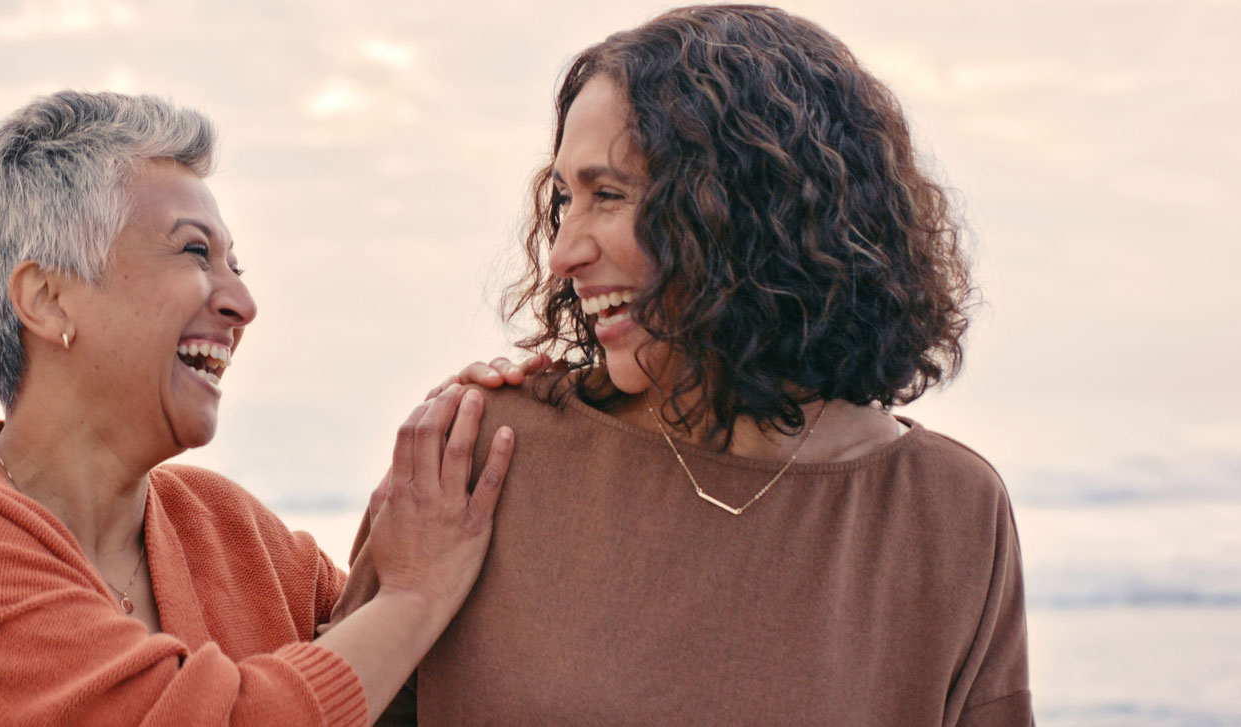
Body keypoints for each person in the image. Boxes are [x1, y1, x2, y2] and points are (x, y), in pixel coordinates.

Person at [336, 5, 1032, 725]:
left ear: (749, 207)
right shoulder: (482, 452)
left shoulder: (951, 512)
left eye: (607, 195)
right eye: (563, 200)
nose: (563, 253)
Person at [0, 91, 516, 727]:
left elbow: (414, 678)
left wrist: (484, 437)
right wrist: (411, 598)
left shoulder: (228, 528)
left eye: (235, 266)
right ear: (46, 297)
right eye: (195, 252)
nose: (242, 305)